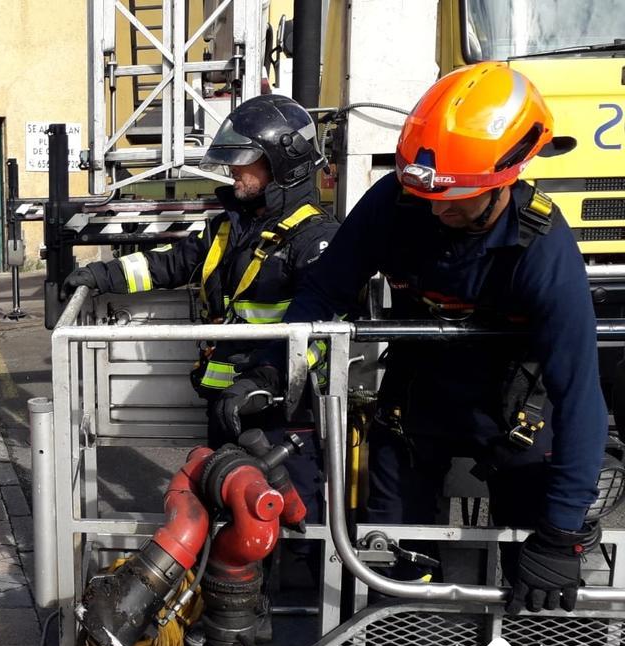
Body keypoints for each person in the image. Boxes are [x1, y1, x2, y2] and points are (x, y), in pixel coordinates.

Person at [220, 63, 606, 614]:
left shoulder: (541, 249)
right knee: (396, 559)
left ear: (507, 179)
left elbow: (580, 395)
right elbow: (321, 297)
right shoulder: (396, 204)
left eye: (457, 197)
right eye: (431, 194)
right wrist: (272, 370)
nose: (439, 208)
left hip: (516, 414)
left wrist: (562, 533)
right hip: (416, 403)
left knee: (533, 570)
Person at [63, 94, 339, 522]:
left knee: (295, 524)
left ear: (286, 164)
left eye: (246, 161)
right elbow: (169, 264)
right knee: (228, 524)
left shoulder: (316, 241)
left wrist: (265, 380)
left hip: (283, 414)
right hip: (227, 407)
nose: (234, 171)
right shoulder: (230, 228)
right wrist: (100, 277)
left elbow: (323, 331)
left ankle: (296, 592)